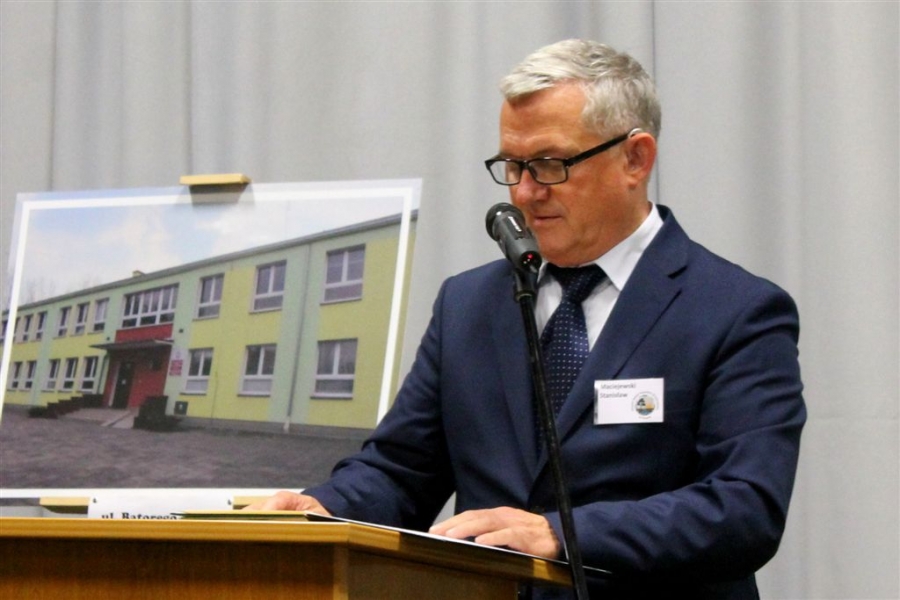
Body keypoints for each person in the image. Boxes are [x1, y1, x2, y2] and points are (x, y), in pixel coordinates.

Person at [250, 39, 806, 599]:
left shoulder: (735, 310)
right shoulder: (468, 303)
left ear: (635, 159)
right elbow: (401, 471)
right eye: (512, 166)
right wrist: (323, 508)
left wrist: (563, 534)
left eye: (549, 165)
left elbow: (744, 508)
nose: (523, 191)